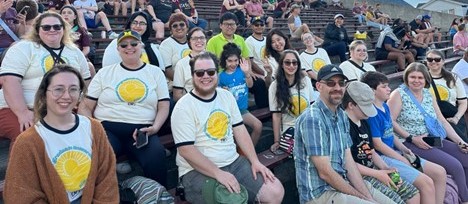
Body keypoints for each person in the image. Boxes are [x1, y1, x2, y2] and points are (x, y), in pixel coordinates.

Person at [171, 52, 284, 203]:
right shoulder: (184, 106)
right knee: (232, 200)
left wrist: (255, 161)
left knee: (275, 191)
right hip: (196, 171)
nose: (206, 76)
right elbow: (186, 150)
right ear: (193, 75)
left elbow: (240, 130)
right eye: (200, 73)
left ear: (216, 73)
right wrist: (218, 173)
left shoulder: (226, 96)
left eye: (211, 72)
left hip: (234, 162)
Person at [4, 64, 119, 203]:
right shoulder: (28, 141)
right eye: (58, 89)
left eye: (73, 90)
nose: (66, 96)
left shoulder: (94, 128)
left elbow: (106, 180)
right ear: (44, 94)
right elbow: (20, 194)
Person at [78, 30, 170, 187]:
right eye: (124, 45)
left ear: (141, 46)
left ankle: (158, 196)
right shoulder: (105, 73)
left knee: (156, 157)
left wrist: (155, 128)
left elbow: (163, 105)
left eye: (134, 43)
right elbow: (85, 106)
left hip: (142, 130)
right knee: (97, 156)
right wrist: (95, 127)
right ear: (118, 49)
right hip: (108, 128)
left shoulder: (155, 72)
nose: (129, 47)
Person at [294, 64, 394, 203]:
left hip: (343, 184)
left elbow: (348, 160)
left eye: (341, 83)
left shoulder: (341, 115)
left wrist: (367, 197)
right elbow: (325, 173)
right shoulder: (313, 119)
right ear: (318, 86)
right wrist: (362, 198)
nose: (337, 87)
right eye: (330, 83)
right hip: (321, 194)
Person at [0, 12, 91, 149]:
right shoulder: (23, 48)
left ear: (64, 29)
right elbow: (9, 81)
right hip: (20, 107)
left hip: (64, 107)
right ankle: (22, 170)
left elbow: (86, 83)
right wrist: (22, 112)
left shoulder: (75, 52)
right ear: (37, 30)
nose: (52, 30)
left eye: (57, 27)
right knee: (31, 136)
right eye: (46, 27)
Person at [362, 71, 449, 204]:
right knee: (426, 183)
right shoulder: (371, 113)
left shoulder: (385, 106)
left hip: (396, 152)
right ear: (372, 90)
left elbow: (390, 133)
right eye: (384, 86)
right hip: (383, 158)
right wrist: (401, 158)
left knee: (440, 172)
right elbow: (378, 144)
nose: (389, 89)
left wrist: (404, 150)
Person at [387, 62, 468, 204]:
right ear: (406, 78)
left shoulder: (427, 94)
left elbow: (442, 120)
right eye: (413, 77)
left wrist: (459, 141)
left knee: (466, 157)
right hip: (409, 142)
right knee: (455, 165)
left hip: (431, 138)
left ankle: (460, 196)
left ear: (426, 79)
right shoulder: (398, 94)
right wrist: (411, 137)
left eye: (420, 77)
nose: (416, 81)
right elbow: (390, 122)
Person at [343, 81, 420, 204]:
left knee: (413, 193)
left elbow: (371, 150)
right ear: (351, 105)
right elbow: (348, 164)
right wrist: (379, 173)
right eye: (365, 107)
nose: (368, 112)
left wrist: (386, 168)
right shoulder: (344, 126)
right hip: (360, 175)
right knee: (397, 201)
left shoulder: (364, 122)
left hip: (375, 169)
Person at [207, 12, 269, 109]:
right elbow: (210, 63)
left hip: (240, 73)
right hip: (222, 75)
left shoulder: (240, 39)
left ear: (236, 25)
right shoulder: (213, 41)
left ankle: (263, 111)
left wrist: (249, 71)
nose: (229, 27)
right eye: (226, 24)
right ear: (220, 25)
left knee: (259, 83)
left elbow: (246, 58)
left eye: (232, 24)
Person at [269, 49, 315, 153]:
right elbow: (276, 115)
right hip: (289, 130)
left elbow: (312, 107)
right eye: (287, 62)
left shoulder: (306, 81)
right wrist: (276, 141)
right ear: (281, 64)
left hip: (307, 127)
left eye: (294, 63)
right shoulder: (274, 86)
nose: (291, 66)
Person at [219, 43, 262, 146]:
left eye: (235, 61)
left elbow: (250, 85)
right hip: (229, 112)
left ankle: (248, 152)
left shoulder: (242, 71)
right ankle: (237, 154)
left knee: (258, 126)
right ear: (224, 61)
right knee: (233, 136)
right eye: (230, 61)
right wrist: (223, 91)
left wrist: (247, 73)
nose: (233, 64)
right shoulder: (221, 76)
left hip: (242, 110)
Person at [426, 49, 468, 141]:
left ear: (443, 61)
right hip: (430, 121)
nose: (433, 62)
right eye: (430, 59)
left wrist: (456, 118)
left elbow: (463, 102)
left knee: (461, 146)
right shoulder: (421, 78)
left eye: (437, 59)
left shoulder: (453, 78)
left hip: (451, 118)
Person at [60, 5, 96, 77]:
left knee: (90, 67)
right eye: (63, 13)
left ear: (75, 17)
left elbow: (86, 49)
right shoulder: (56, 29)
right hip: (60, 56)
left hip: (79, 56)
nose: (66, 14)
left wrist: (78, 57)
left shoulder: (82, 30)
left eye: (69, 13)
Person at [173, 27, 207, 101]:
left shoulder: (212, 60)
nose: (199, 41)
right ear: (189, 42)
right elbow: (176, 95)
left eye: (202, 38)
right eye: (194, 38)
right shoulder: (181, 64)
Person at [159, 13, 191, 82]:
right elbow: (167, 71)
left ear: (187, 27)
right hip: (175, 83)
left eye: (182, 24)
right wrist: (184, 83)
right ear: (170, 30)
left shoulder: (193, 40)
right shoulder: (166, 44)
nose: (179, 27)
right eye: (175, 26)